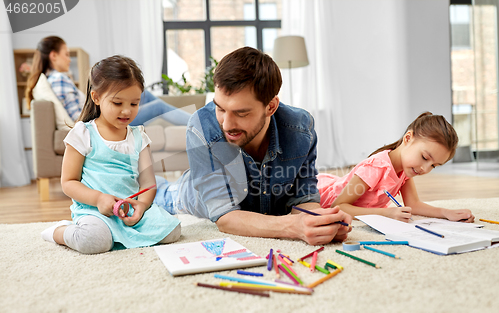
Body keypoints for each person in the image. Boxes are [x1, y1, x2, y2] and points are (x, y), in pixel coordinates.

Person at [154, 46, 352, 246]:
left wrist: (322, 222)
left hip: (257, 208)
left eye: (241, 113)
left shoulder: (300, 129)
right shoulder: (201, 126)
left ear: (271, 107)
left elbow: (302, 200)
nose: (226, 124)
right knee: (149, 194)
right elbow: (226, 217)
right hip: (188, 196)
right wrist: (293, 226)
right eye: (220, 108)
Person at [40, 55, 181, 254]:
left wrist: (141, 206)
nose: (127, 111)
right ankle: (59, 231)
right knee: (94, 242)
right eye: (117, 103)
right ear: (96, 97)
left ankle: (120, 234)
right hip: (94, 210)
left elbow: (148, 183)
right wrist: (98, 199)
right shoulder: (83, 133)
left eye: (134, 104)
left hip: (129, 209)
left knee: (173, 231)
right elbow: (68, 182)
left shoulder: (139, 136)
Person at [317, 112, 475, 223]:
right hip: (319, 193)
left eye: (433, 166)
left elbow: (413, 204)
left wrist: (446, 213)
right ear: (408, 138)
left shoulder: (405, 170)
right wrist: (385, 213)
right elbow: (339, 207)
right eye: (425, 158)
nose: (425, 169)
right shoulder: (377, 167)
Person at [25, 36, 190, 126]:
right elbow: (78, 118)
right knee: (158, 106)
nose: (69, 60)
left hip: (98, 115)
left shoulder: (55, 79)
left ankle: (197, 120)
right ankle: (198, 123)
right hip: (98, 119)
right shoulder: (59, 79)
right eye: (66, 54)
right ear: (53, 56)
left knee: (146, 95)